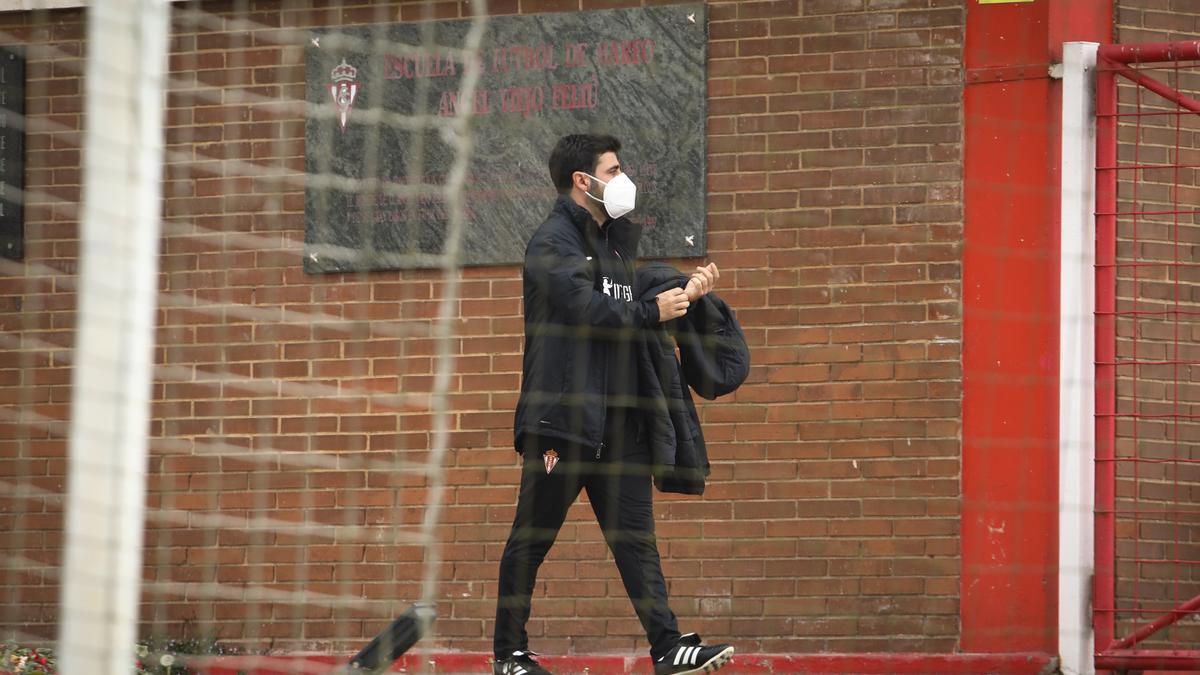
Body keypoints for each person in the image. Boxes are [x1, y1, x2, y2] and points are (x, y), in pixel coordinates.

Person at [492, 134, 735, 675]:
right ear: (585, 181)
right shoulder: (551, 243)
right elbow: (588, 309)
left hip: (619, 425)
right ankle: (508, 655)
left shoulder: (615, 247)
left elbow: (638, 298)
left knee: (637, 543)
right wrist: (654, 312)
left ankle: (668, 647)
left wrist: (687, 295)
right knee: (531, 539)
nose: (624, 179)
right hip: (566, 423)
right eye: (614, 168)